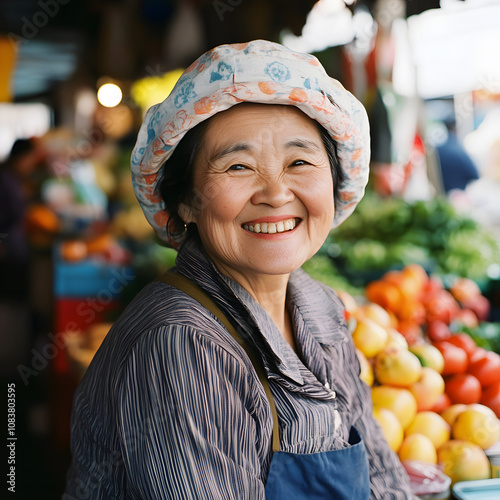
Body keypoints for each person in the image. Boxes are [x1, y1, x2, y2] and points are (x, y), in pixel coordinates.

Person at [65, 40, 416, 499]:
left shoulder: (319, 306)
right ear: (186, 201)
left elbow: (382, 477)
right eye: (238, 166)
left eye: (300, 162)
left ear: (333, 181)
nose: (275, 192)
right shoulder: (180, 344)